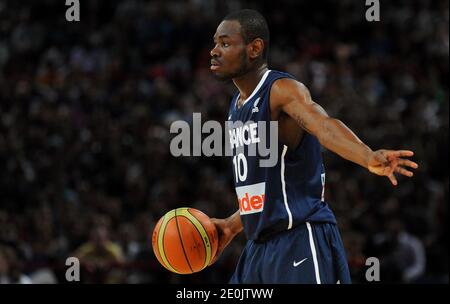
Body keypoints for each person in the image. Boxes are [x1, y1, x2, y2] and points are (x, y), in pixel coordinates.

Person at [208, 9, 418, 284]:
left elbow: (323, 126)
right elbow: (267, 191)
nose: (214, 51)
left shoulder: (281, 90)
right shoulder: (236, 108)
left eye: (224, 43)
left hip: (298, 238)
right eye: (215, 43)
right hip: (258, 247)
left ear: (255, 48)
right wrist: (232, 225)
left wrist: (366, 155)